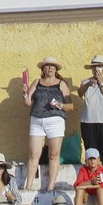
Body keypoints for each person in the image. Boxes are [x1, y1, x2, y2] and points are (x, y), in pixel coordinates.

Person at [24, 56, 72, 193]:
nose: (50, 68)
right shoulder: (37, 82)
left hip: (55, 120)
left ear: (56, 69)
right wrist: (24, 93)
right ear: (42, 69)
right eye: (47, 65)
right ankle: (29, 186)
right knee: (33, 153)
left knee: (54, 154)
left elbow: (71, 105)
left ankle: (51, 187)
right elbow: (27, 103)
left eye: (52, 66)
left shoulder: (61, 84)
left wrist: (60, 105)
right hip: (37, 120)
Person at [76, 55, 103, 179]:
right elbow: (79, 93)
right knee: (91, 154)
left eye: (99, 66)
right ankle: (90, 181)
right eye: (94, 67)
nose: (96, 69)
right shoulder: (86, 82)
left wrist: (101, 83)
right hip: (88, 122)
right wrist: (90, 83)